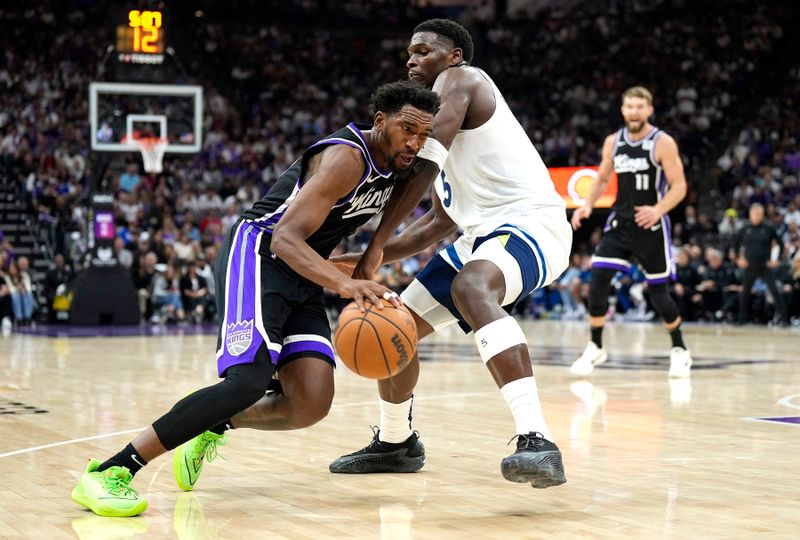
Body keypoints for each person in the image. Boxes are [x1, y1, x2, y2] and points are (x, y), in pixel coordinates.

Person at [71, 81, 439, 517]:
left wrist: (376, 247)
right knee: (246, 382)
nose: (415, 142)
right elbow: (285, 238)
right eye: (407, 129)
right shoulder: (347, 158)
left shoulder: (400, 160)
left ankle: (216, 424)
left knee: (310, 402)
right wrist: (345, 284)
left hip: (305, 267)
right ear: (381, 121)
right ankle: (111, 471)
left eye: (423, 135)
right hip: (261, 253)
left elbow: (420, 177)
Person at [235, 19, 571, 489]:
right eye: (408, 54)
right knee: (396, 325)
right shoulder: (445, 147)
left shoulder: (463, 81)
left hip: (534, 222)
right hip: (479, 236)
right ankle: (397, 443)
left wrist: (372, 252)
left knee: (471, 286)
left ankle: (537, 439)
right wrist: (353, 263)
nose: (411, 60)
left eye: (423, 51)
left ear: (454, 56)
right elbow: (434, 226)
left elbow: (425, 166)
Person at [569, 86, 693, 378]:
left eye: (640, 107)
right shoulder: (613, 141)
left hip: (650, 226)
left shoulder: (662, 143)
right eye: (629, 107)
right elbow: (601, 178)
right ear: (623, 110)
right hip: (620, 223)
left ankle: (679, 349)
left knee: (659, 294)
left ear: (649, 110)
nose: (634, 112)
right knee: (598, 279)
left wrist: (659, 210)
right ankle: (596, 346)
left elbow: (680, 186)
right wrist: (586, 205)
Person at [736, 203, 786, 325]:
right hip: (749, 267)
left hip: (765, 266)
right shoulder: (745, 228)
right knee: (745, 293)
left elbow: (781, 244)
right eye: (754, 213)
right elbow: (733, 244)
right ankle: (742, 319)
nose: (756, 216)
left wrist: (777, 260)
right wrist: (739, 258)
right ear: (750, 214)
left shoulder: (768, 228)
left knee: (775, 291)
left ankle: (784, 318)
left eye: (759, 214)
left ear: (762, 215)